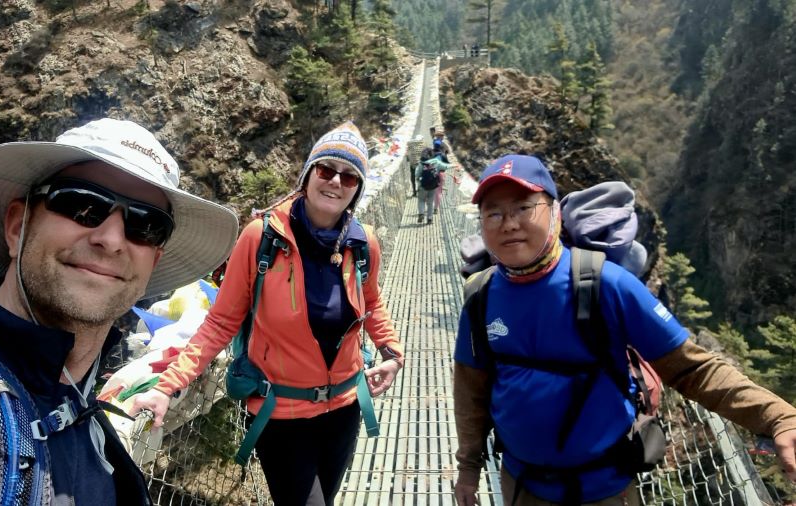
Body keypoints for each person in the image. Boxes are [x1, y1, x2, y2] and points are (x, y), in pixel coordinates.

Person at [0, 118, 240, 505]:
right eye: (82, 204)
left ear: (152, 264)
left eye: (145, 225)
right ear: (17, 226)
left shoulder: (84, 421)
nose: (111, 240)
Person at [453, 154, 796, 505]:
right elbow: (471, 389)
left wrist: (778, 418)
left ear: (554, 212)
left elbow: (693, 368)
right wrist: (468, 470)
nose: (508, 224)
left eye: (524, 207)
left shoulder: (607, 284)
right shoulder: (481, 295)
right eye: (493, 213)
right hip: (522, 486)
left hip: (604, 491)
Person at [128, 121, 405, 506]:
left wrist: (391, 353)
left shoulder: (363, 244)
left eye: (350, 177)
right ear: (308, 175)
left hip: (345, 407)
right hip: (282, 413)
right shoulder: (261, 238)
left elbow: (372, 303)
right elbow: (220, 322)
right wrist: (166, 385)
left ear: (357, 189)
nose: (336, 182)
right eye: (326, 170)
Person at [416, 147, 452, 225]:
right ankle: (429, 219)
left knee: (421, 200)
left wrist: (418, 179)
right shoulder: (436, 162)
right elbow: (445, 166)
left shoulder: (421, 163)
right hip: (432, 186)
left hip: (422, 185)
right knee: (430, 202)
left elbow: (417, 174)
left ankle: (421, 213)